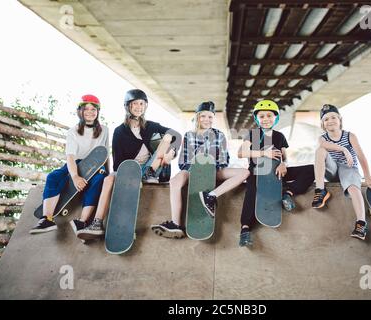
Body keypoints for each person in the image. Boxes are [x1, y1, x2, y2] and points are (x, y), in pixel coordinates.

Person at [75, 89, 181, 240]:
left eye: (141, 103)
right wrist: (128, 173)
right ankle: (97, 222)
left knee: (168, 136)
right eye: (135, 104)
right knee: (108, 179)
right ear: (128, 106)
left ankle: (150, 172)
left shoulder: (151, 126)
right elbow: (117, 164)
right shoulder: (120, 131)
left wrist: (172, 153)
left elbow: (177, 135)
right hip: (129, 170)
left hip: (154, 169)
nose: (139, 107)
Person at [151, 101, 250, 238]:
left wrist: (208, 170)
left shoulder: (219, 135)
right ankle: (176, 224)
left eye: (210, 117)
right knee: (175, 181)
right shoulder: (189, 135)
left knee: (245, 172)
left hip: (213, 171)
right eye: (203, 116)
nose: (207, 120)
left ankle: (211, 196)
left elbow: (224, 159)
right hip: (192, 171)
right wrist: (197, 169)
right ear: (198, 117)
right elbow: (183, 162)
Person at [237, 100, 315, 247]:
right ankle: (245, 229)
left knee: (311, 169)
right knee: (252, 192)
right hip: (257, 172)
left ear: (275, 118)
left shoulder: (280, 136)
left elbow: (284, 156)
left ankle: (288, 193)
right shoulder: (253, 134)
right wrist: (263, 153)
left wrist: (284, 164)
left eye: (269, 116)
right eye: (262, 116)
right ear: (257, 119)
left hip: (277, 172)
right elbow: (241, 153)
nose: (266, 119)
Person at [30, 94, 109, 234]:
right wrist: (75, 177)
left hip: (96, 166)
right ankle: (47, 219)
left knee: (98, 180)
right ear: (80, 111)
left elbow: (105, 153)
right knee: (53, 176)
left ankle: (82, 221)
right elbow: (70, 157)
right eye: (86, 109)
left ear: (98, 111)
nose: (90, 112)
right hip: (75, 164)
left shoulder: (105, 130)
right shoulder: (72, 132)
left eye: (93, 109)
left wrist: (108, 172)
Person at [312, 104, 371, 240]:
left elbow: (361, 156)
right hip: (333, 170)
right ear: (323, 124)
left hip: (349, 169)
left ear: (340, 120)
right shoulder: (323, 138)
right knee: (320, 151)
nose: (330, 121)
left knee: (354, 189)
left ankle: (361, 224)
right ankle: (320, 190)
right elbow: (324, 146)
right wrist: (344, 149)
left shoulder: (350, 136)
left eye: (333, 117)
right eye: (326, 119)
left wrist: (368, 177)